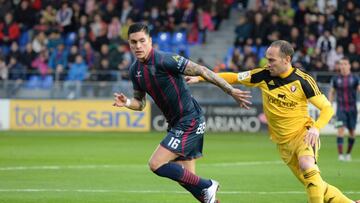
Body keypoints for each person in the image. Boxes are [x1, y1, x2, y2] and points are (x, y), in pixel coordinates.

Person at [186, 40, 359, 203]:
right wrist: (201, 77)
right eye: (267, 59)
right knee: (315, 183)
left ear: (287, 59)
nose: (268, 63)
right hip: (283, 144)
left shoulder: (303, 80)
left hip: (303, 135)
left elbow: (327, 108)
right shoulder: (263, 75)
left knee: (307, 165)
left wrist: (316, 128)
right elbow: (234, 77)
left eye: (272, 60)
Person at [112, 23, 251, 203]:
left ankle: (208, 184)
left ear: (150, 41)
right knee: (189, 182)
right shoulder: (134, 71)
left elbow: (202, 70)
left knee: (156, 164)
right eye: (133, 42)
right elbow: (141, 104)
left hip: (189, 120)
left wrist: (230, 90)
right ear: (129, 44)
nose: (138, 46)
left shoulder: (166, 60)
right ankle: (207, 192)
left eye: (141, 41)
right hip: (176, 124)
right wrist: (128, 102)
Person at [328, 57, 360, 161]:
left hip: (352, 109)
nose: (343, 66)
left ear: (349, 66)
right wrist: (329, 105)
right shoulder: (335, 79)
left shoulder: (355, 78)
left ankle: (348, 154)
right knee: (340, 130)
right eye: (341, 64)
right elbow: (332, 92)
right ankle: (341, 155)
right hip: (340, 109)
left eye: (345, 64)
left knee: (352, 132)